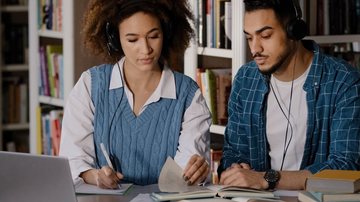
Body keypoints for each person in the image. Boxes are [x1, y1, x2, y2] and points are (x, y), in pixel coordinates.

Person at [59, 0, 211, 188]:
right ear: (114, 39)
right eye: (132, 40)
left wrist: (194, 173)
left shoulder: (188, 95)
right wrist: (96, 176)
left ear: (167, 33)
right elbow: (72, 160)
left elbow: (185, 173)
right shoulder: (91, 85)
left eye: (154, 36)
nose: (146, 49)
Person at [218, 0, 360, 190]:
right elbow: (232, 152)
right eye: (249, 38)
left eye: (265, 36)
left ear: (294, 31)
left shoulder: (343, 81)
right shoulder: (245, 79)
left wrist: (267, 179)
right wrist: (237, 169)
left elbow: (346, 165)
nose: (255, 49)